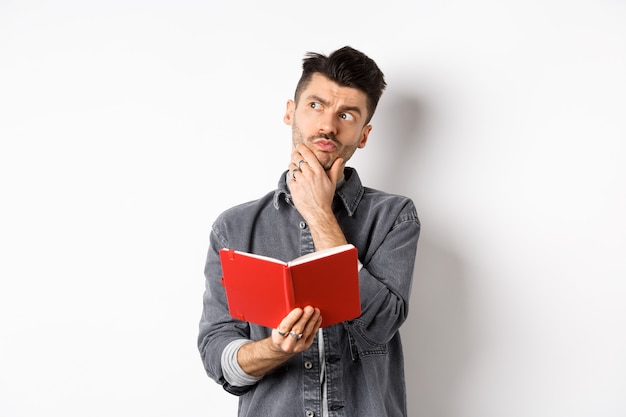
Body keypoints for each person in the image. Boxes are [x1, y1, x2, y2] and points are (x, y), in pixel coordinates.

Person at [198, 46, 420, 417]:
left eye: (346, 115)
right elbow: (217, 357)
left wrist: (319, 214)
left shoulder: (395, 217)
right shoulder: (234, 227)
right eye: (315, 106)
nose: (327, 126)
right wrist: (275, 348)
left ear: (363, 135)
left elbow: (379, 326)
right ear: (291, 112)